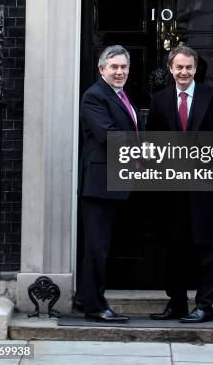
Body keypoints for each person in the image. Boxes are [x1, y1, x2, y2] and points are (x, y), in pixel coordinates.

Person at [146, 45, 213, 323]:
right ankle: (177, 304)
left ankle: (204, 306)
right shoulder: (159, 100)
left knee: (207, 247)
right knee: (174, 247)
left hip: (206, 185)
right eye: (179, 67)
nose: (184, 72)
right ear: (171, 70)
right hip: (172, 187)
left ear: (196, 69)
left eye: (189, 67)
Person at [76, 45, 142, 322]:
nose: (119, 72)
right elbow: (109, 135)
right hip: (100, 183)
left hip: (115, 180)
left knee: (101, 244)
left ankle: (85, 298)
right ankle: (95, 307)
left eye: (123, 67)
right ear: (101, 69)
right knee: (97, 246)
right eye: (114, 67)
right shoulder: (94, 96)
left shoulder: (120, 94)